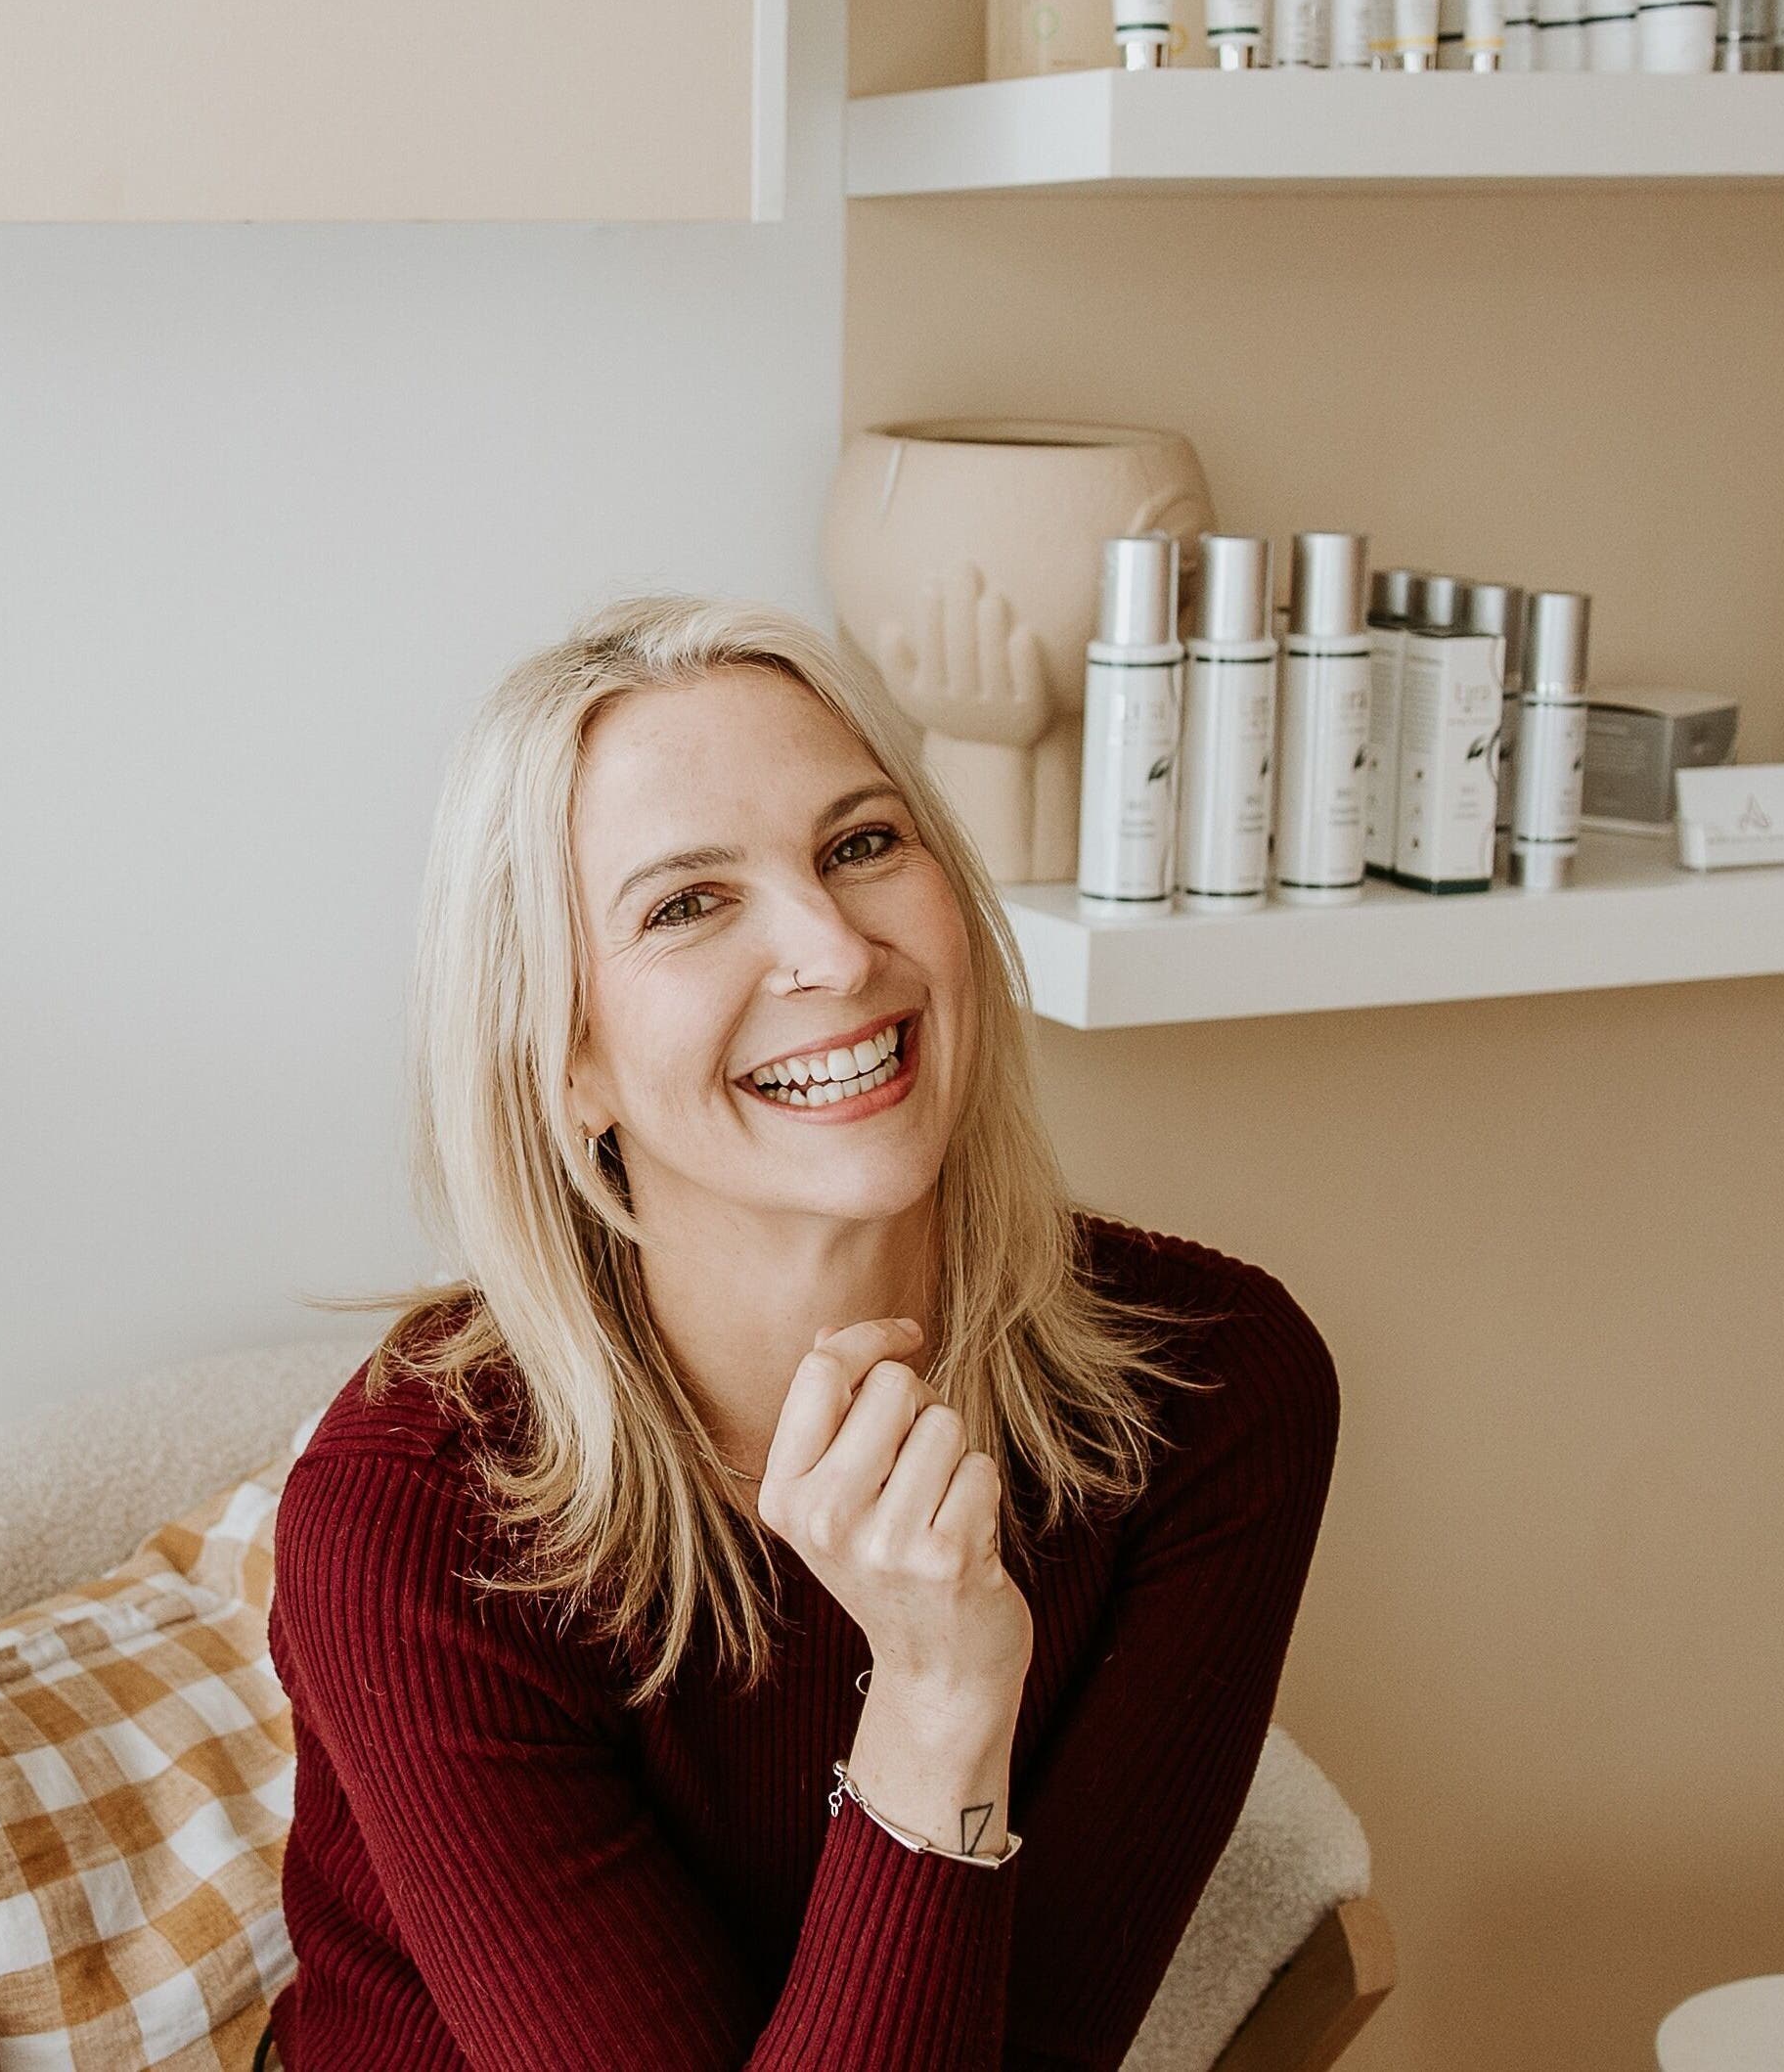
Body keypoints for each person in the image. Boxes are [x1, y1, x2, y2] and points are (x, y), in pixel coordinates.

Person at [260, 595, 1342, 2071]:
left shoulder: (1215, 1390)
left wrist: (949, 1695)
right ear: (566, 1053)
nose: (832, 951)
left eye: (860, 844)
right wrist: (936, 1693)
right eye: (686, 904)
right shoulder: (413, 1518)